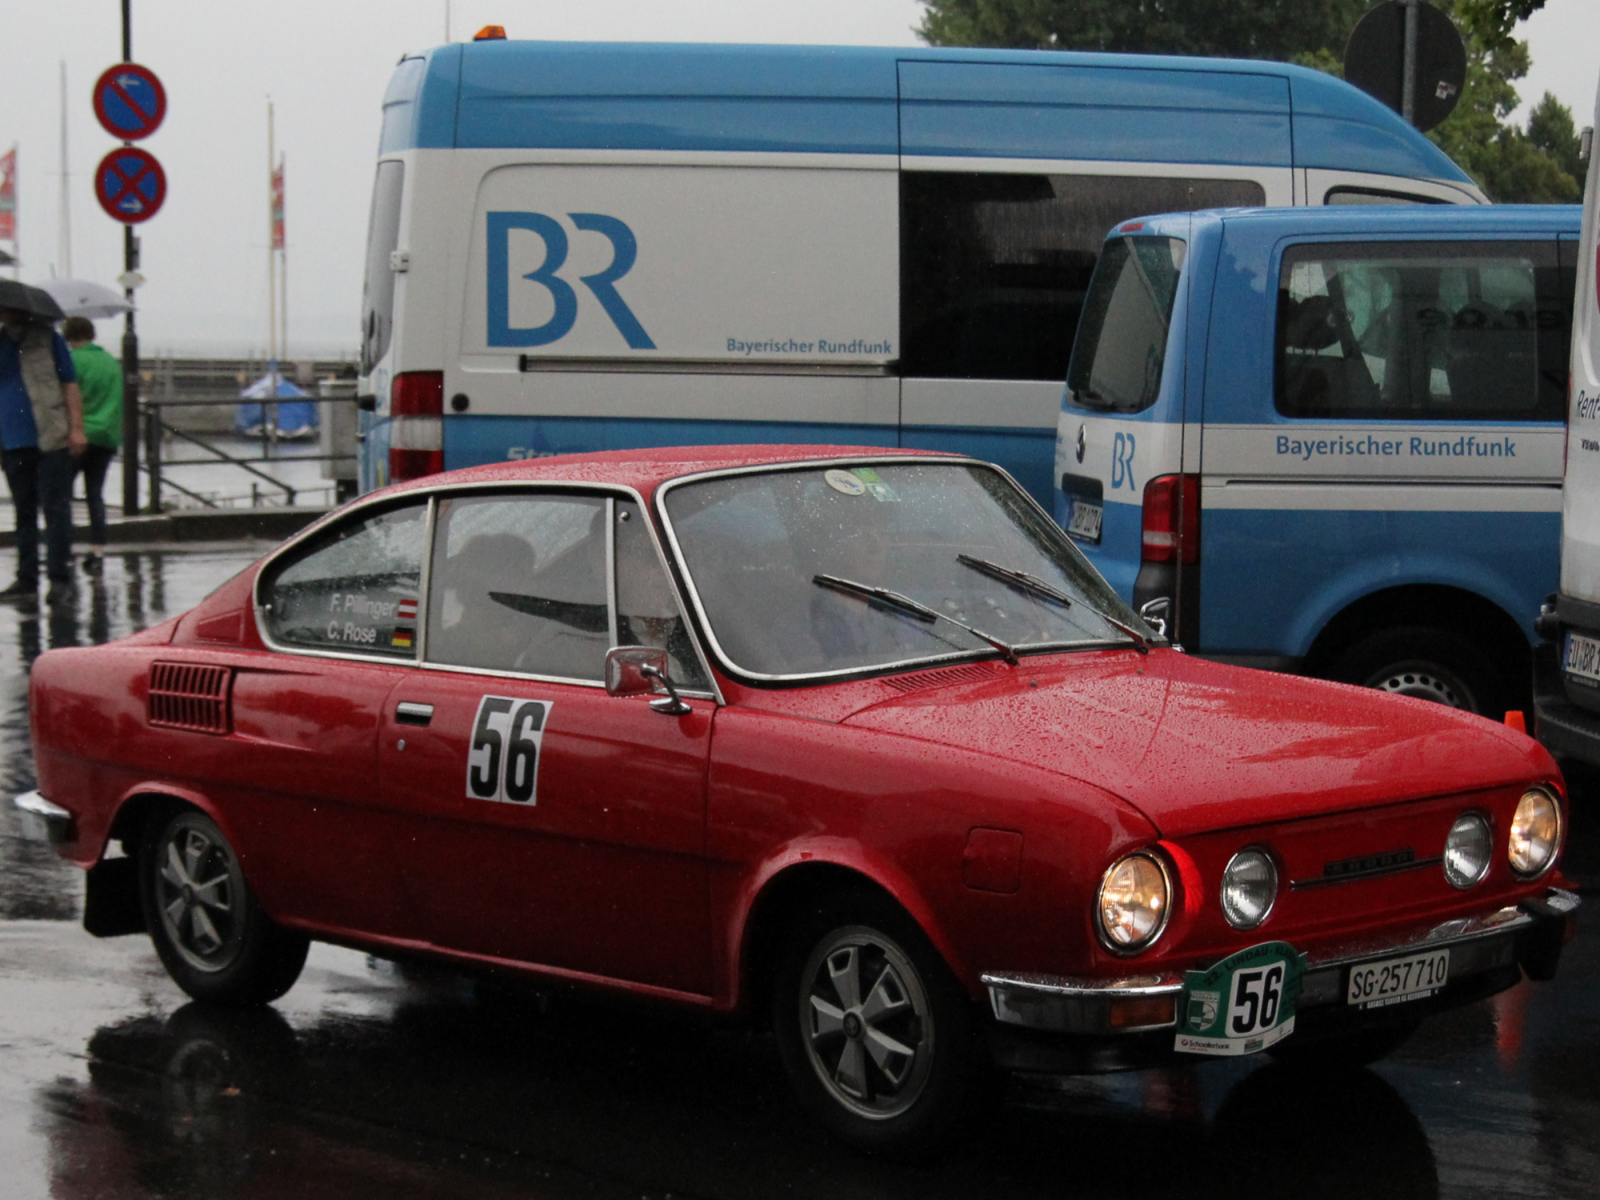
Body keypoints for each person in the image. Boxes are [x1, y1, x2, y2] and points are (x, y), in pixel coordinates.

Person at [0, 305, 87, 604]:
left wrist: (76, 428)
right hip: (12, 441)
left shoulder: (48, 339)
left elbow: (70, 383)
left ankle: (59, 578)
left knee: (56, 510)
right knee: (23, 512)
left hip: (51, 436)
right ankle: (26, 579)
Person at [62, 317, 122, 562]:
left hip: (78, 435)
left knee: (62, 494)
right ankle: (98, 548)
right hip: (106, 436)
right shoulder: (111, 362)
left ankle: (64, 546)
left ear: (68, 335)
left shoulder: (72, 360)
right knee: (95, 493)